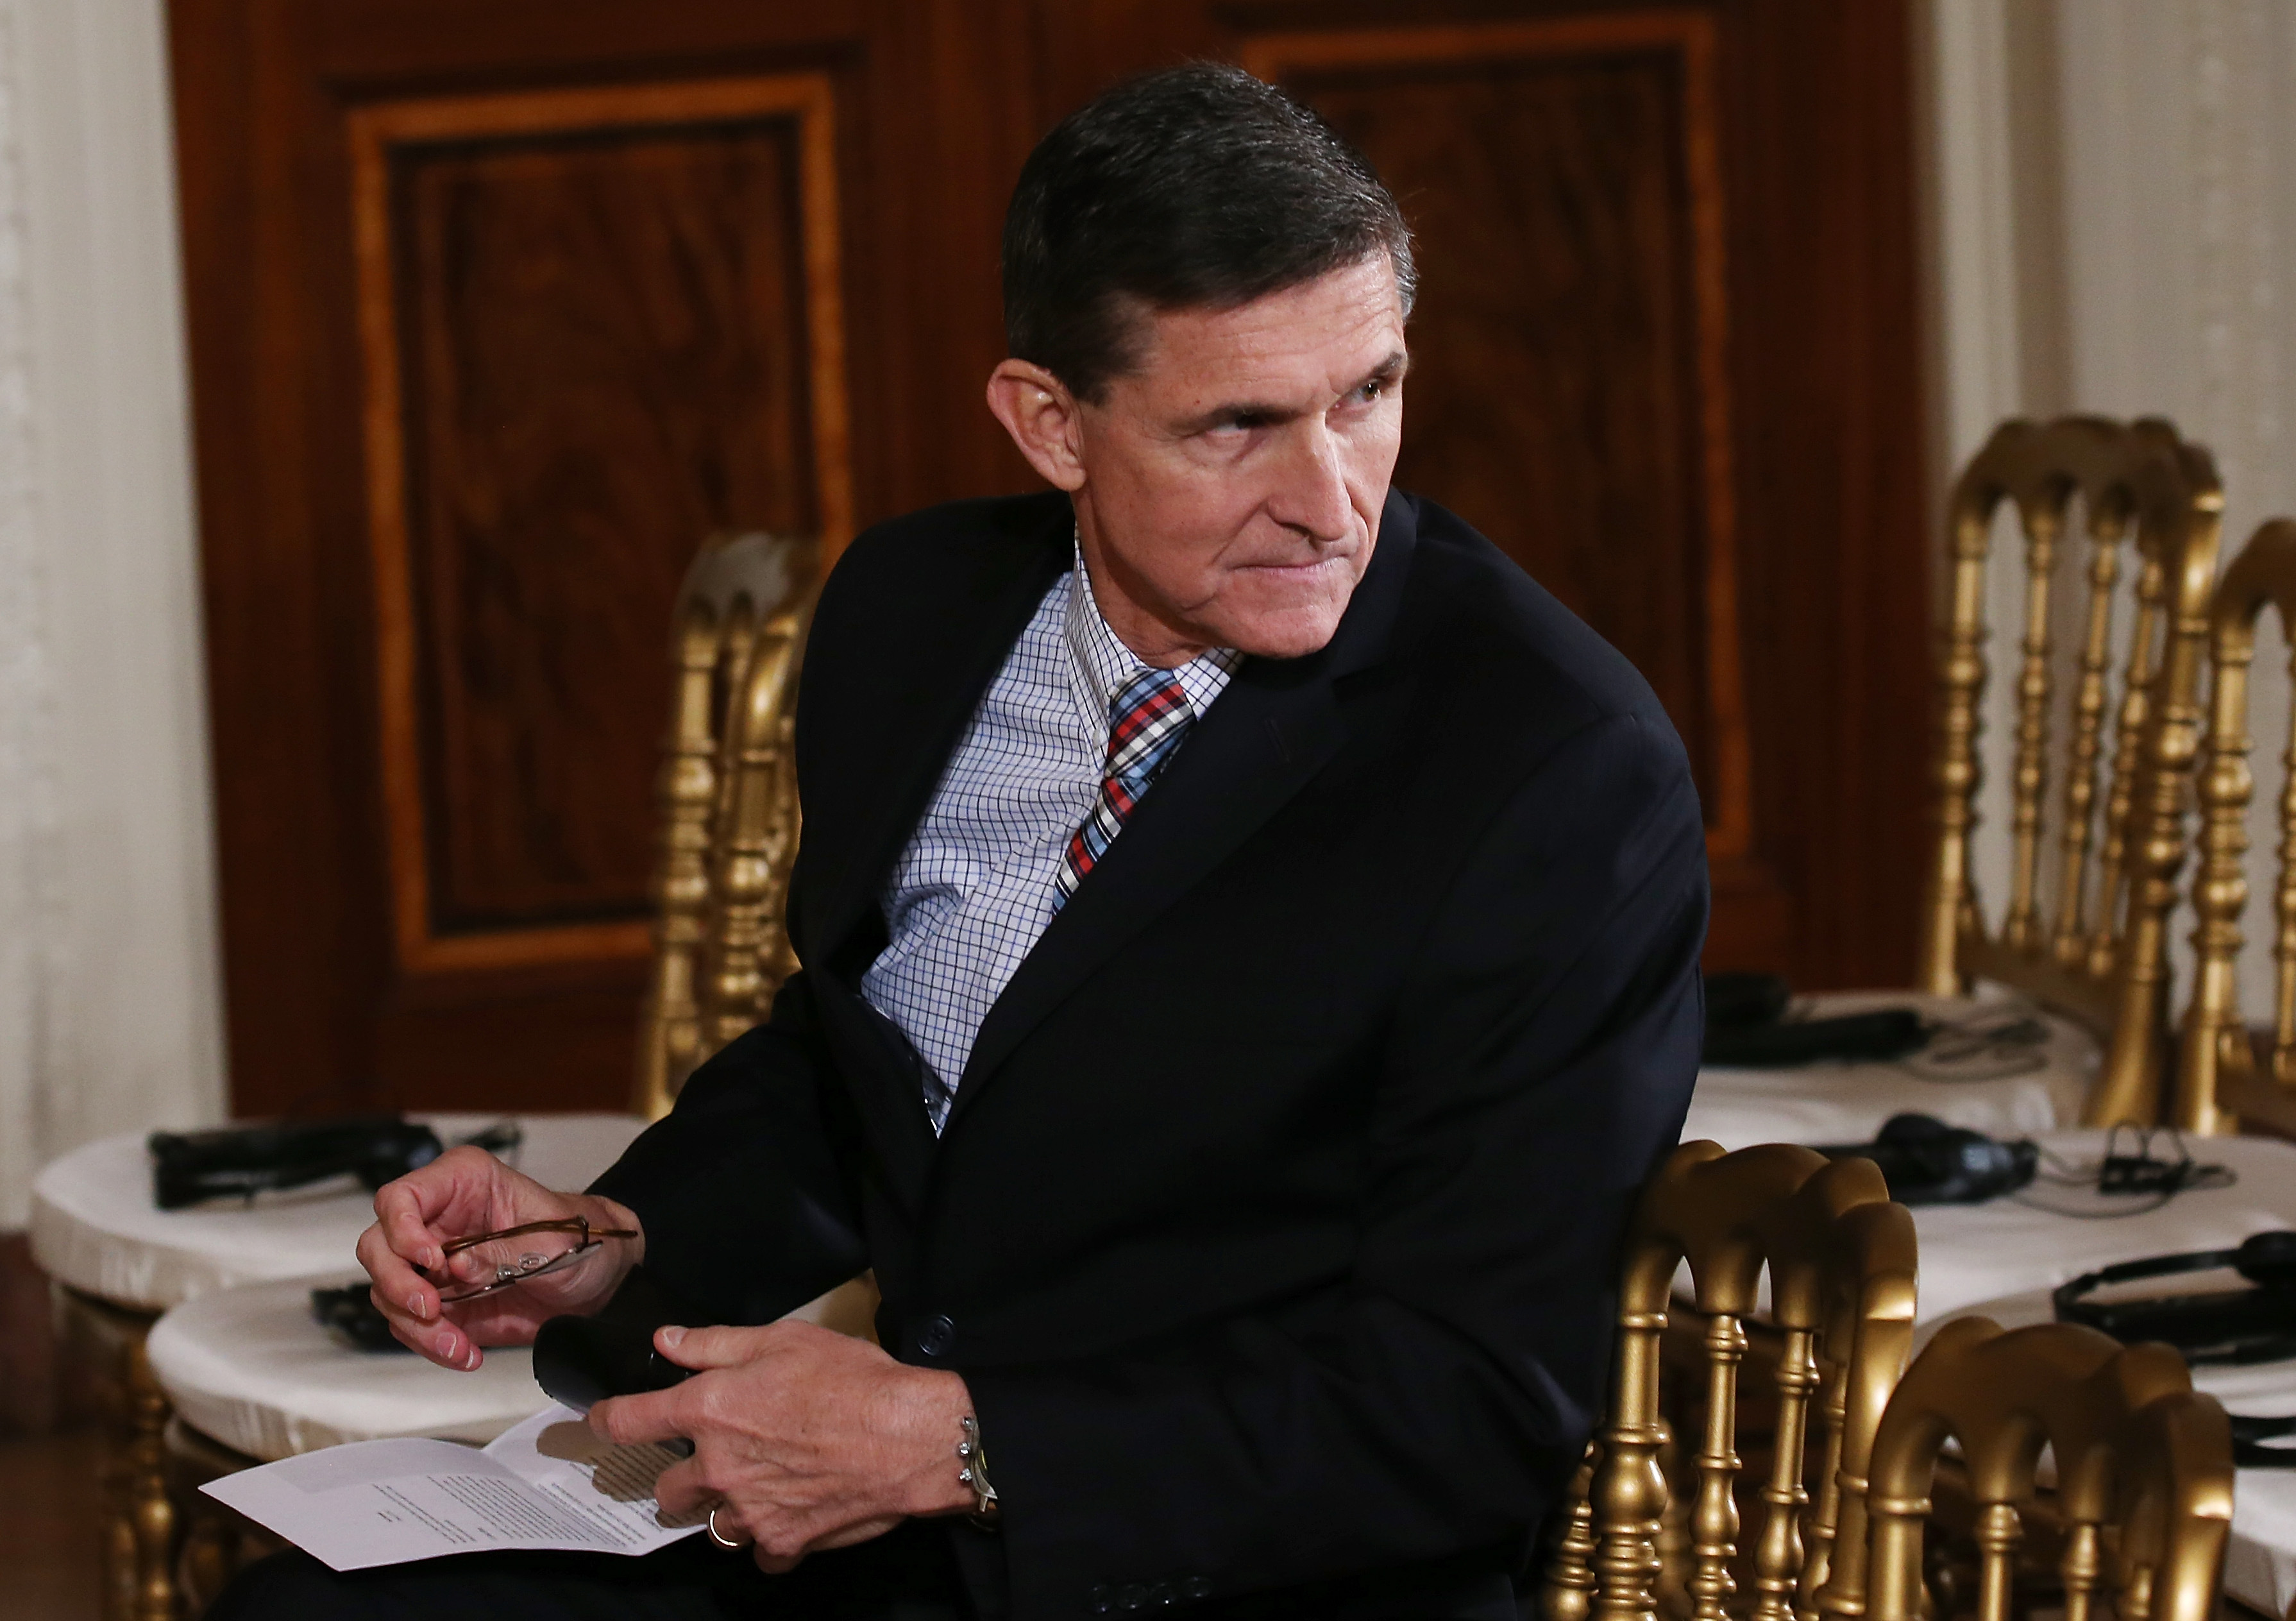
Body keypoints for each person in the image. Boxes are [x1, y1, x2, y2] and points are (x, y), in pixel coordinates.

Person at [213, 61, 1706, 1621]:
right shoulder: (913, 612)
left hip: (1239, 1562)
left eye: (1367, 394)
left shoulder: (1550, 770)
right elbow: (873, 1060)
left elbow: (1472, 1406)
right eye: (1235, 426)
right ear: (1049, 423)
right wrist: (620, 1236)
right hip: (905, 1521)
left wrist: (960, 1446)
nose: (1325, 499)